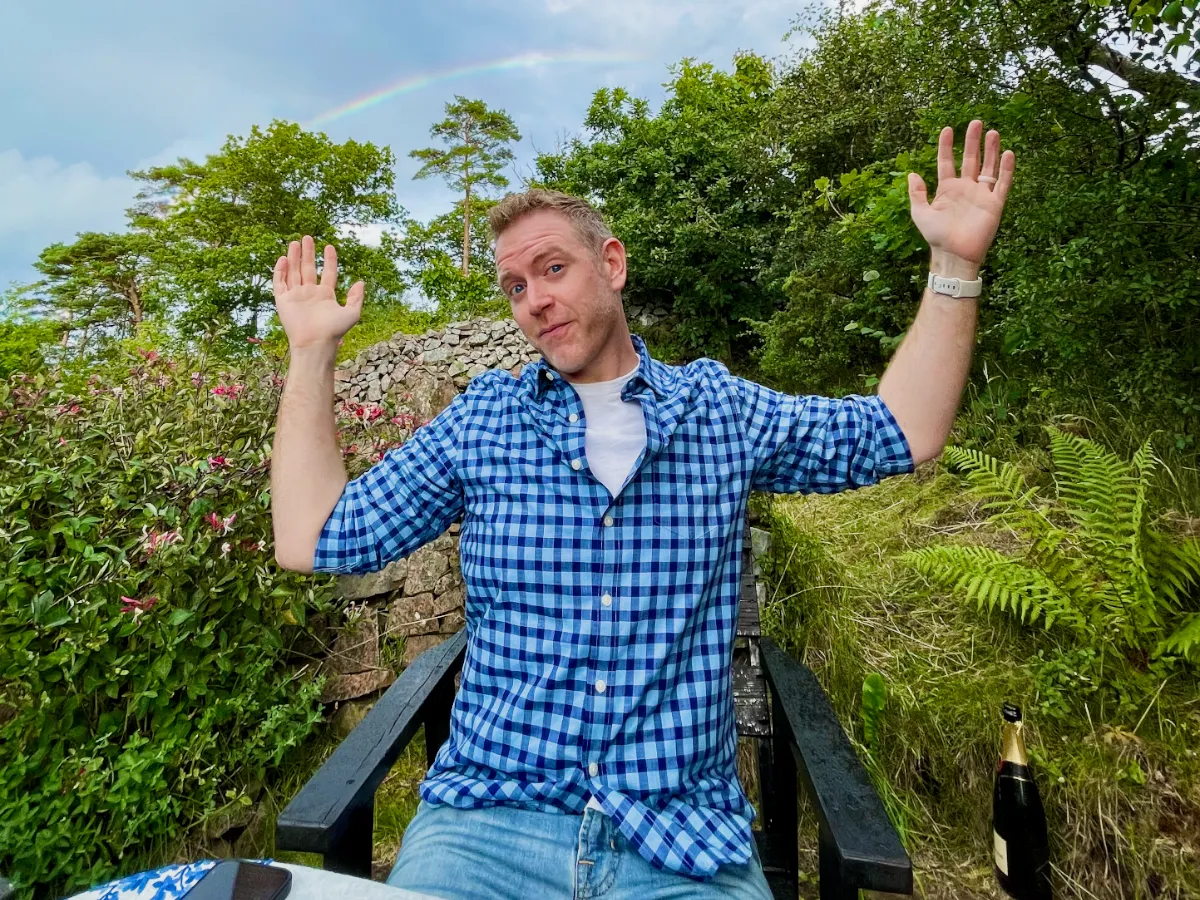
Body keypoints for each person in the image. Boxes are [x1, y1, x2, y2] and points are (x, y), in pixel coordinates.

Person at [270, 120, 1015, 899]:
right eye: (515, 287)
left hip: (681, 843)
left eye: (553, 268)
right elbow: (314, 534)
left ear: (612, 264)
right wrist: (311, 350)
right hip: (485, 831)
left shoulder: (717, 411)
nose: (535, 301)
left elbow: (902, 431)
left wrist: (955, 264)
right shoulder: (483, 420)